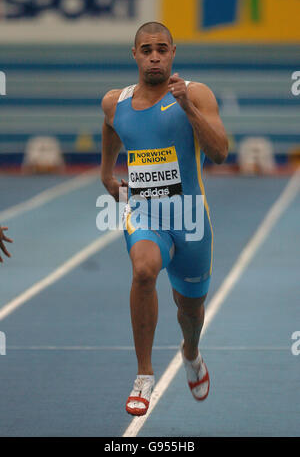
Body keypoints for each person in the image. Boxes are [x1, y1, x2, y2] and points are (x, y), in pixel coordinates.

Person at [100, 21, 228, 416]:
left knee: (190, 310)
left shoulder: (197, 93)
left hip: (191, 219)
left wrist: (187, 107)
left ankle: (190, 352)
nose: (154, 56)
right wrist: (114, 182)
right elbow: (110, 146)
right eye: (146, 49)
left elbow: (221, 152)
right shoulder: (114, 102)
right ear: (135, 55)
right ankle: (144, 374)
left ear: (173, 52)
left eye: (161, 49)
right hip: (145, 214)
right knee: (143, 270)